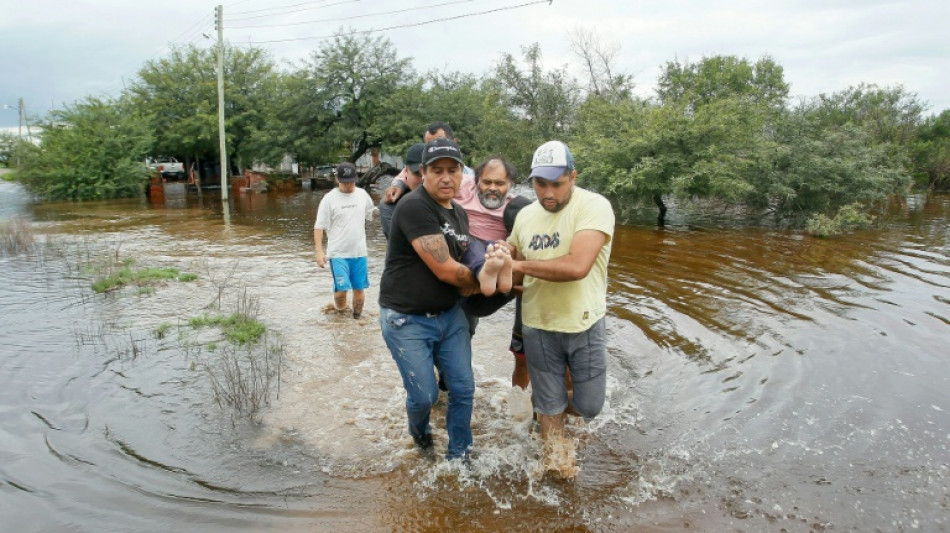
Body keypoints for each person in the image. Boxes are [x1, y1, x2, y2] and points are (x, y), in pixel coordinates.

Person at [378, 137, 482, 460]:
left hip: (449, 316)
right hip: (406, 318)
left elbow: (467, 258)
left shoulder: (460, 214)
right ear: (423, 172)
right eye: (438, 170)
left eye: (454, 170)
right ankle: (421, 437)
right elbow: (448, 271)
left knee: (463, 389)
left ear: (463, 174)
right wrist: (493, 281)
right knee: (424, 396)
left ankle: (460, 456)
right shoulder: (414, 206)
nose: (446, 177)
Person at [508, 140, 615, 446]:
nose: (548, 193)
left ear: (573, 176)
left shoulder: (594, 206)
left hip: (583, 323)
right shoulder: (526, 215)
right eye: (540, 184)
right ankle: (554, 466)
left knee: (589, 406)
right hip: (538, 325)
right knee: (551, 407)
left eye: (557, 183)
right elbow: (511, 260)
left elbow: (577, 266)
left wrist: (519, 263)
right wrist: (501, 255)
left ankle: (541, 406)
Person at [313, 162, 378, 320]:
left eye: (352, 181)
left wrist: (386, 206)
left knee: (359, 289)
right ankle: (341, 316)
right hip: (338, 254)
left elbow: (371, 213)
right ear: (337, 180)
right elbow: (319, 227)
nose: (349, 185)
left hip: (359, 252)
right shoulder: (329, 199)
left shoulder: (362, 194)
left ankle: (357, 320)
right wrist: (319, 252)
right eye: (345, 182)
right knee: (342, 290)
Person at [379, 143, 424, 239]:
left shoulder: (449, 200)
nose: (423, 179)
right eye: (417, 174)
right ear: (406, 171)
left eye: (427, 173)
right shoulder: (390, 205)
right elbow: (398, 243)